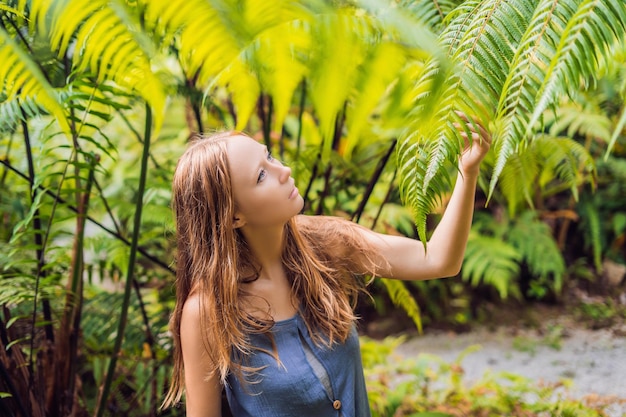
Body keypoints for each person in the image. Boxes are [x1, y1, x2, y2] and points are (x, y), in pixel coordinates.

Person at [162, 116, 491, 417]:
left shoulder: (325, 242)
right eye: (262, 175)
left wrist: (468, 170)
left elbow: (438, 259)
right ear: (233, 215)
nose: (284, 171)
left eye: (270, 157)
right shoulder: (208, 309)